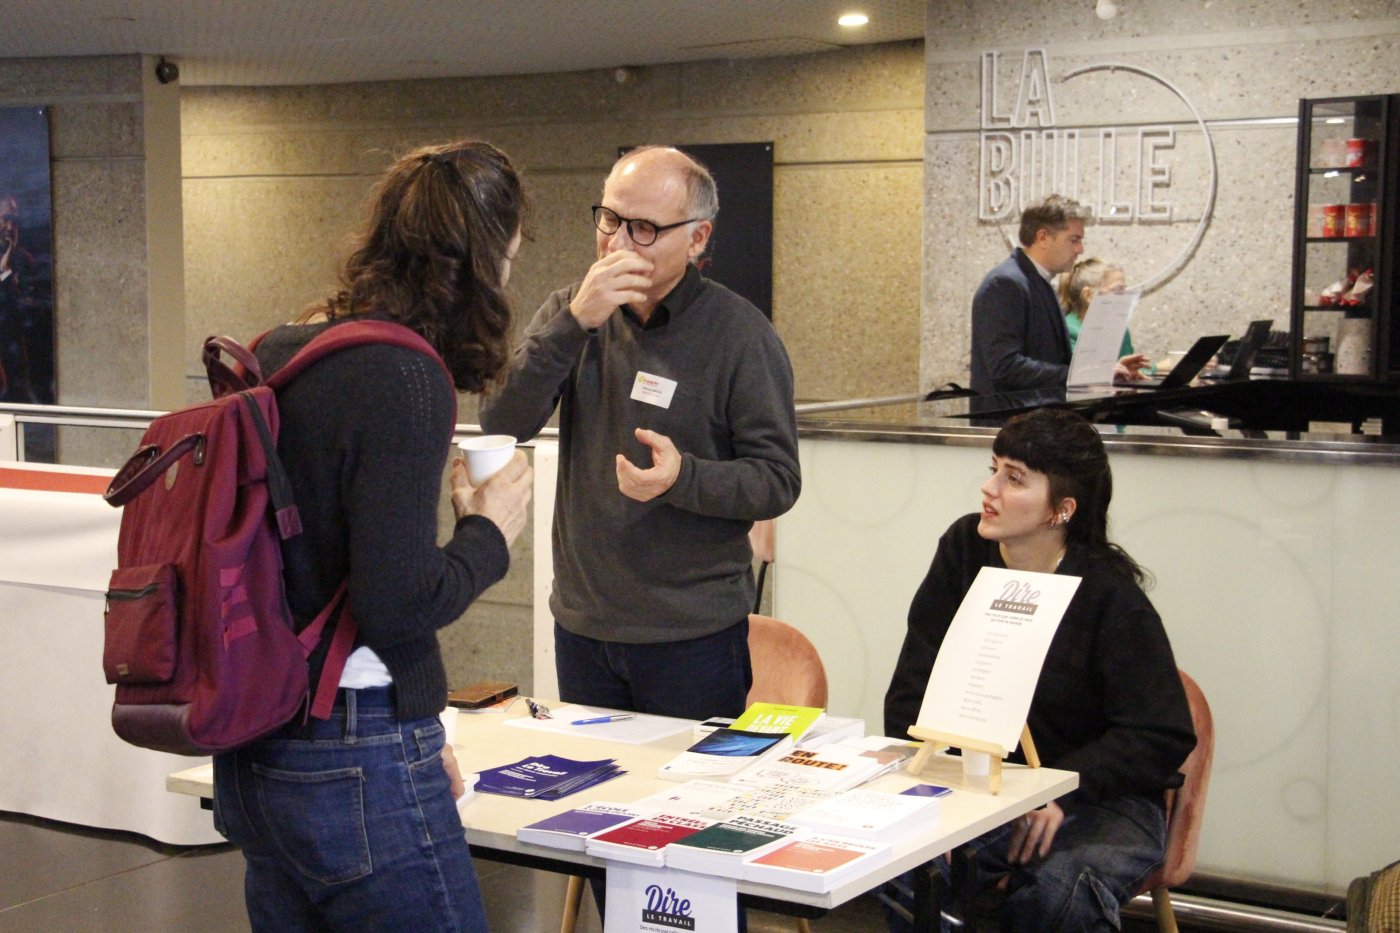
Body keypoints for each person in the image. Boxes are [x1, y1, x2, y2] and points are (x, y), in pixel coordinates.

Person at [212, 140, 534, 933]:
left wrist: (420, 729)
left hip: (255, 746)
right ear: (483, 259)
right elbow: (396, 601)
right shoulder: (406, 376)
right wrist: (489, 532)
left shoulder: (279, 348)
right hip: (354, 748)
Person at [479, 145, 801, 721]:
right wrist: (575, 323)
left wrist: (683, 478)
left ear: (698, 238)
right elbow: (501, 421)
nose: (618, 243)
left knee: (687, 781)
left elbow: (776, 481)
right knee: (595, 780)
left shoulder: (741, 335)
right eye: (609, 219)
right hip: (585, 624)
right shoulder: (570, 312)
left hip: (694, 634)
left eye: (644, 228)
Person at [883, 407, 1195, 932]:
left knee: (1058, 894)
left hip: (1097, 796)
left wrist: (1057, 789)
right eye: (994, 469)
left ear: (1062, 509)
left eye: (1015, 478)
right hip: (984, 786)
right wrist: (946, 791)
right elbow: (913, 691)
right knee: (899, 863)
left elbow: (1159, 734)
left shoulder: (1108, 595)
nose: (989, 489)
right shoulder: (965, 550)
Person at [969, 195, 1145, 394]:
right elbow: (1006, 368)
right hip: (1015, 413)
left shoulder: (1039, 281)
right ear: (1043, 238)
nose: (1080, 249)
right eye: (1074, 239)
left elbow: (1052, 361)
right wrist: (1082, 375)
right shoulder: (1004, 284)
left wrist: (1104, 371)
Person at [1059, 256, 1147, 370]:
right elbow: (1078, 372)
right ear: (1088, 295)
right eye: (1117, 291)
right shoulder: (1068, 331)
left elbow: (1129, 368)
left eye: (1124, 291)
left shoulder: (1119, 328)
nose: (1124, 298)